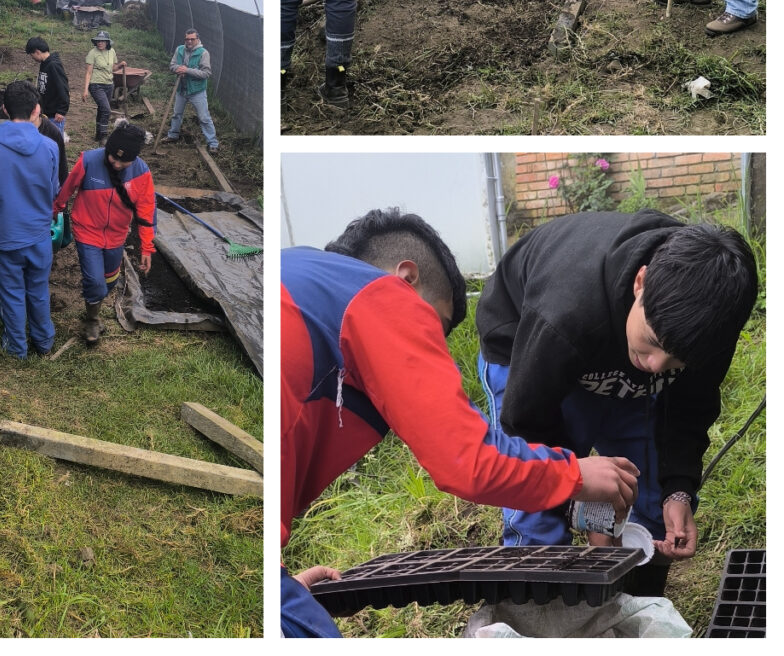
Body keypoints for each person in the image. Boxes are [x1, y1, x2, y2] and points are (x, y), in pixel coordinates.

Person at [281, 208, 641, 637]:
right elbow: (466, 460)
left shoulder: (294, 276)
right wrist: (575, 474)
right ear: (406, 278)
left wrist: (282, 581)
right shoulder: (382, 295)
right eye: (435, 328)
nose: (433, 348)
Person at [475, 210, 758, 596]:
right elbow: (526, 422)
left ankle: (634, 597)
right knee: (537, 510)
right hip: (526, 346)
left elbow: (689, 409)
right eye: (654, 342)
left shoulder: (707, 328)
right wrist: (575, 483)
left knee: (652, 491)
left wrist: (678, 489)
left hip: (604, 340)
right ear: (641, 283)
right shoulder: (565, 312)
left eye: (677, 361)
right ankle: (538, 602)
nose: (656, 366)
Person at [0, 80, 59, 360]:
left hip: (5, 238)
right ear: (36, 110)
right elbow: (53, 191)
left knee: (11, 294)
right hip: (39, 237)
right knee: (38, 290)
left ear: (5, 109)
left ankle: (16, 348)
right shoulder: (50, 147)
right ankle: (44, 341)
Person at [53, 121, 156, 343]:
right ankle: (91, 319)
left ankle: (93, 307)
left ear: (135, 158)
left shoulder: (142, 173)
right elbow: (67, 189)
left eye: (123, 161)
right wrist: (56, 210)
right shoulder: (89, 161)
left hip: (117, 235)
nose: (116, 164)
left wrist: (147, 247)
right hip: (87, 230)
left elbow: (147, 212)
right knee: (95, 282)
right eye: (113, 157)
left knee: (109, 281)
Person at [161, 28, 219, 151]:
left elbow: (206, 73)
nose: (189, 41)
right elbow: (172, 65)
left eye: (192, 39)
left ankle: (213, 143)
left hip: (197, 91)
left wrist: (187, 70)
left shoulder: (203, 53)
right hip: (181, 89)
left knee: (204, 117)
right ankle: (173, 135)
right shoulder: (179, 49)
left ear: (197, 39)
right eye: (187, 39)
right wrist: (178, 69)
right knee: (177, 114)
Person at [82, 29, 127, 144]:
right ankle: (103, 136)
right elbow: (88, 73)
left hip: (109, 85)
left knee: (102, 109)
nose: (100, 43)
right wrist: (85, 90)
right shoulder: (92, 53)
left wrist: (120, 65)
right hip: (96, 85)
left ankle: (98, 135)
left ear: (107, 42)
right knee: (106, 109)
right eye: (98, 41)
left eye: (102, 41)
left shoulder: (112, 51)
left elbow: (112, 68)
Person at [25, 36, 69, 126]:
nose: (32, 58)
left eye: (32, 55)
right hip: (46, 112)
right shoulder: (44, 63)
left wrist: (62, 110)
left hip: (55, 115)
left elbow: (63, 88)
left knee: (53, 135)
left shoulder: (53, 65)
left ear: (37, 52)